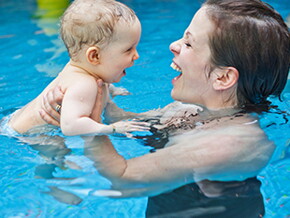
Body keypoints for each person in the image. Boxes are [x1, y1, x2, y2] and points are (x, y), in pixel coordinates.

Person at [40, 0, 289, 217]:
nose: (173, 45)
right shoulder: (189, 108)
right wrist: (96, 96)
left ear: (222, 78)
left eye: (189, 44)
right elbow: (131, 124)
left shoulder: (228, 143)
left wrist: (90, 126)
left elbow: (124, 180)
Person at [6, 0, 150, 136]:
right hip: (26, 136)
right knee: (59, 155)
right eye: (128, 50)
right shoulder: (84, 84)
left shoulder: (80, 69)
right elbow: (70, 127)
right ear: (94, 56)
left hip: (11, 122)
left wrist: (111, 90)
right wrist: (111, 129)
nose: (136, 55)